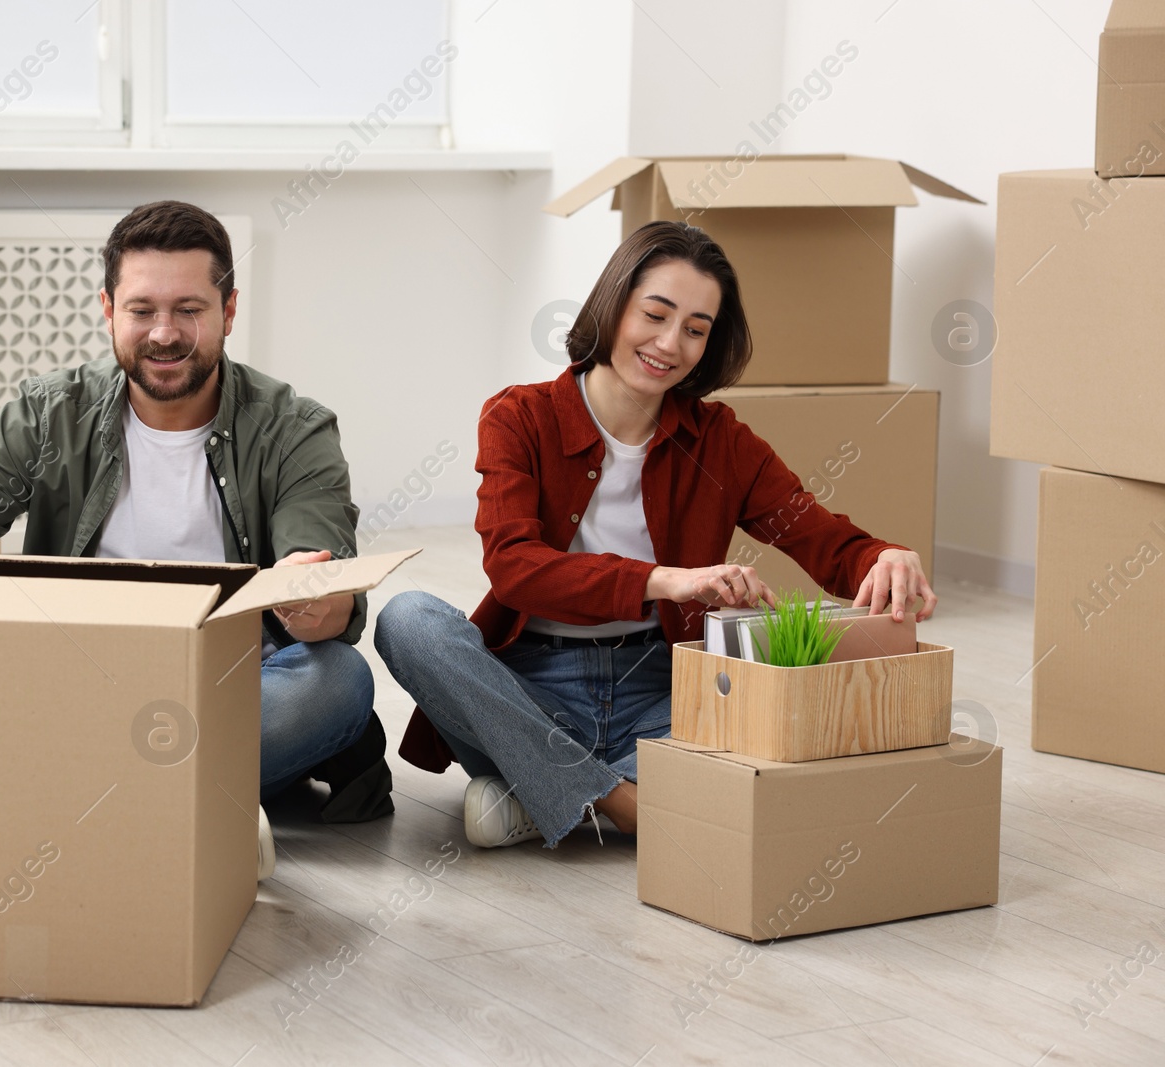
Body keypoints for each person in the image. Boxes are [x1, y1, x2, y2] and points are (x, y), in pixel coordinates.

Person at [0, 200, 394, 878]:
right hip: (81, 675)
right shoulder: (49, 410)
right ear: (108, 308)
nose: (165, 333)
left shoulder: (294, 427)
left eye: (190, 310)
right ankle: (192, 802)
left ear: (229, 312)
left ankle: (89, 796)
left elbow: (322, 567)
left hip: (238, 680)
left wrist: (320, 599)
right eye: (142, 310)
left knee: (336, 679)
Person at [373, 220, 938, 850]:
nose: (670, 343)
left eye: (696, 330)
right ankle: (623, 803)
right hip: (530, 694)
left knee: (784, 742)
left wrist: (883, 555)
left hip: (660, 695)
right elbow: (515, 567)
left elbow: (817, 534)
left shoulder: (721, 441)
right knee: (408, 619)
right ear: (614, 306)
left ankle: (547, 793)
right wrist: (666, 580)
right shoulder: (519, 417)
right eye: (656, 315)